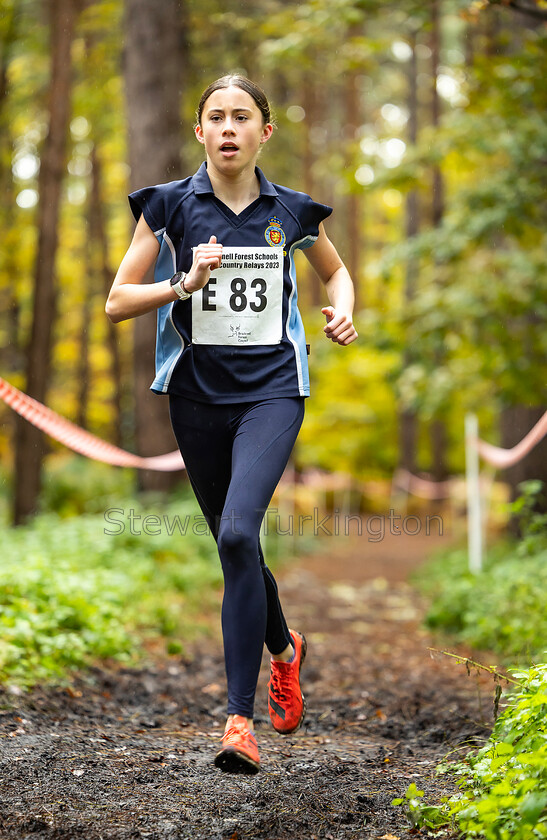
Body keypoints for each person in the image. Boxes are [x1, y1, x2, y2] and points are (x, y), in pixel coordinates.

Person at [106, 74, 357, 775]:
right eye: (214, 116)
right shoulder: (166, 207)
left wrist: (343, 307)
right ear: (199, 132)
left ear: (263, 133)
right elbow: (117, 302)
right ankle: (284, 648)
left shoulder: (292, 211)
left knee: (241, 532)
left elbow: (336, 274)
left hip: (273, 390)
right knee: (232, 544)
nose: (227, 128)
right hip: (194, 395)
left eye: (240, 117)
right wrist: (182, 283)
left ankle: (237, 720)